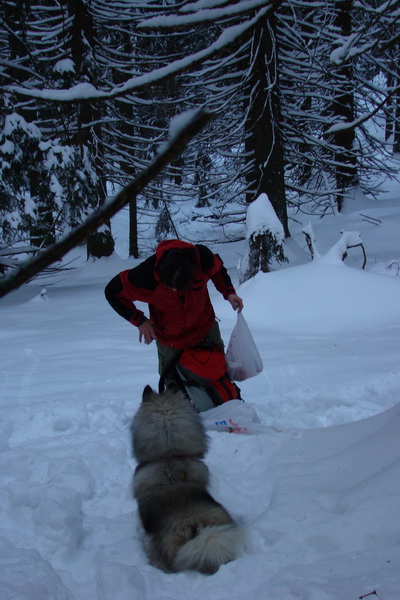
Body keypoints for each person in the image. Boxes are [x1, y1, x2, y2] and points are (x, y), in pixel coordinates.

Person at [104, 239, 243, 378]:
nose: (175, 290)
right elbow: (113, 292)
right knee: (174, 389)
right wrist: (139, 321)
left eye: (181, 286)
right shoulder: (145, 275)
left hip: (205, 329)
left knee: (218, 376)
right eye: (170, 287)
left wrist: (229, 292)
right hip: (171, 342)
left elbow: (218, 271)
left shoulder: (202, 259)